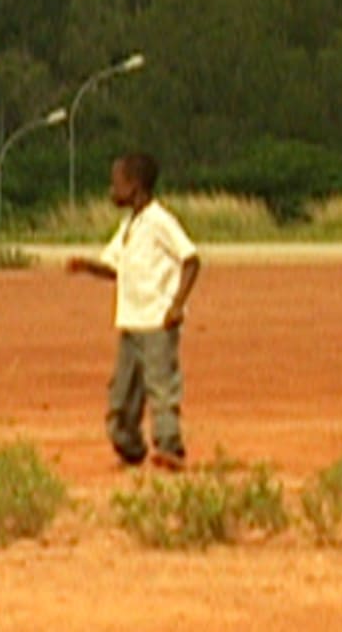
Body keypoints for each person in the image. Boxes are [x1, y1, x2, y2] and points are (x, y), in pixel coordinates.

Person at [65, 152, 202, 472]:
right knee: (122, 394)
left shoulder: (159, 221)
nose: (112, 190)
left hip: (156, 320)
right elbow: (115, 267)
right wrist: (87, 266)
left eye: (118, 183)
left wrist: (177, 304)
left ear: (136, 186)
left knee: (161, 386)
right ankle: (130, 447)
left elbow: (191, 259)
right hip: (130, 321)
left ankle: (171, 448)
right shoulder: (129, 225)